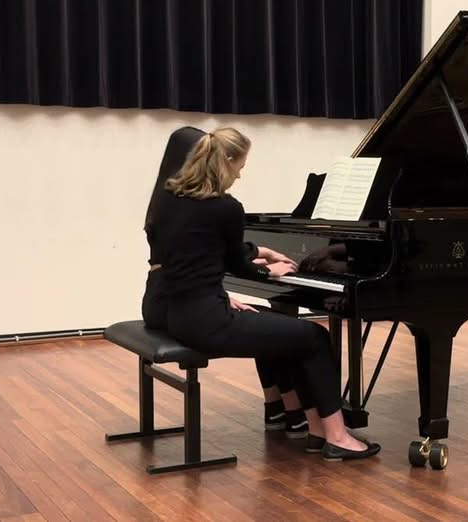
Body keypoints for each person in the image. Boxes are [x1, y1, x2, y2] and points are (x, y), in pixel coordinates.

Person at [141, 126, 380, 461]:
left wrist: (230, 286)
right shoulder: (225, 207)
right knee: (314, 336)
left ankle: (313, 428)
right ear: (225, 161)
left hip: (181, 315)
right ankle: (338, 436)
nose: (240, 173)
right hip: (209, 323)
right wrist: (270, 270)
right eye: (240, 164)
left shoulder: (168, 199)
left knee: (278, 326)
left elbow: (196, 256)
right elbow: (236, 264)